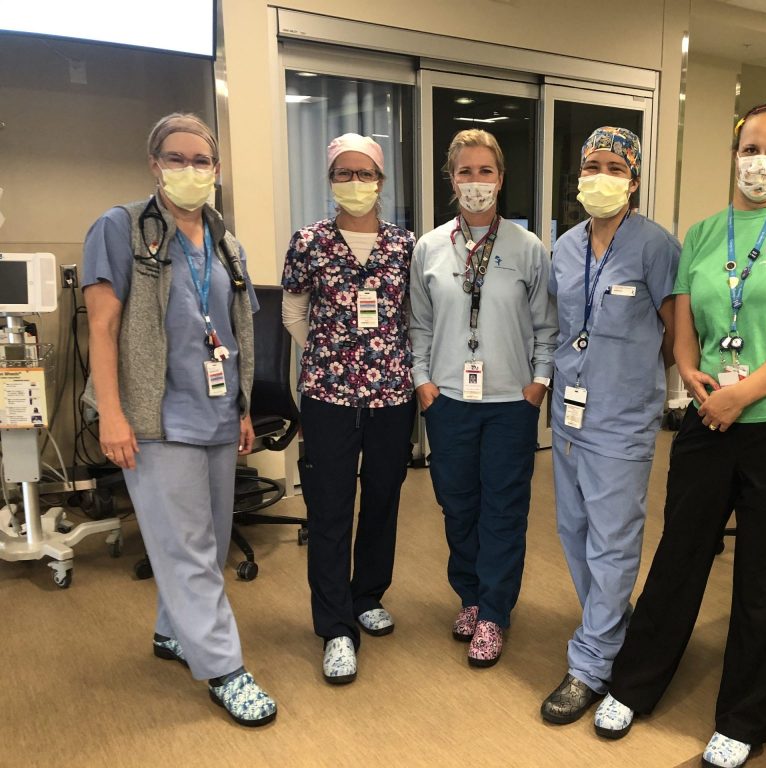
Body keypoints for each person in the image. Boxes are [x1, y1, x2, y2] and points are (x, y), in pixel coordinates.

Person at [593, 103, 766, 768]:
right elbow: (683, 321)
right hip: (708, 421)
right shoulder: (704, 234)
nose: (759, 162)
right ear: (735, 155)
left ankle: (742, 718)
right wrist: (688, 369)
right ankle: (633, 683)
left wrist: (745, 391)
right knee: (679, 557)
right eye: (750, 148)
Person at [83, 113, 275, 727]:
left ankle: (173, 630)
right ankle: (225, 668)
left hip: (216, 416)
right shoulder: (119, 228)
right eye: (177, 158)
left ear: (216, 170)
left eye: (202, 160)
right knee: (189, 550)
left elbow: (235, 333)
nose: (190, 170)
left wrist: (242, 407)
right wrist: (112, 414)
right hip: (155, 421)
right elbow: (103, 328)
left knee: (210, 543)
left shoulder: (225, 241)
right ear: (154, 164)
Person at [540, 127, 679, 724]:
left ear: (635, 179)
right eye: (591, 164)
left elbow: (677, 334)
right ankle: (610, 632)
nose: (600, 176)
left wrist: (634, 381)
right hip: (569, 415)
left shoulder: (655, 246)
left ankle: (591, 664)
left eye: (614, 167)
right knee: (573, 532)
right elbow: (560, 320)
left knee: (613, 541)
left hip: (621, 420)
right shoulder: (566, 245)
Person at [409, 129, 557, 667]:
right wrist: (423, 384)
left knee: (504, 509)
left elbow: (546, 326)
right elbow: (419, 326)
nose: (476, 182)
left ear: (501, 179)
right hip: (447, 400)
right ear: (451, 181)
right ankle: (469, 596)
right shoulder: (428, 247)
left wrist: (537, 385)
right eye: (465, 172)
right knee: (458, 505)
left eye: (485, 172)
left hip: (510, 405)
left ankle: (494, 612)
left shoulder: (527, 247)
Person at [281, 134, 416, 684]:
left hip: (392, 395)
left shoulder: (405, 246)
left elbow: (415, 315)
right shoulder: (310, 241)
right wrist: (326, 352)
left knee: (383, 498)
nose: (355, 184)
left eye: (366, 174)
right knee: (331, 507)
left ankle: (368, 596)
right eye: (345, 173)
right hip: (328, 395)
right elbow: (293, 310)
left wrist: (387, 359)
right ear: (330, 181)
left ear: (381, 182)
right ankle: (336, 627)